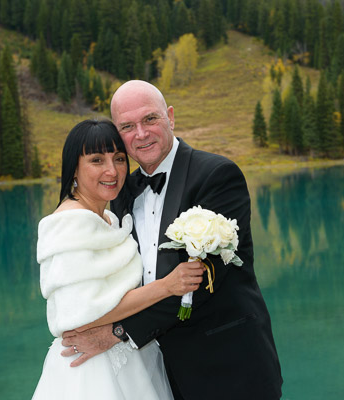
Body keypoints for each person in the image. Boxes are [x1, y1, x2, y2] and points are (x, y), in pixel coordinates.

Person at [62, 81, 283, 399]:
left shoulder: (217, 176)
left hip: (230, 367)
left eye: (150, 119)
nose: (141, 133)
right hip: (161, 374)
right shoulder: (122, 191)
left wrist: (118, 332)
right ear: (118, 135)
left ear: (170, 117)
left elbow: (202, 284)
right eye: (128, 126)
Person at [32, 119, 205, 399]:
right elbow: (81, 315)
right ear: (73, 167)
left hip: (132, 356)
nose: (112, 171)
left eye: (119, 159)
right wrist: (168, 286)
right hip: (91, 369)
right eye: (97, 160)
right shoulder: (69, 222)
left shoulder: (109, 218)